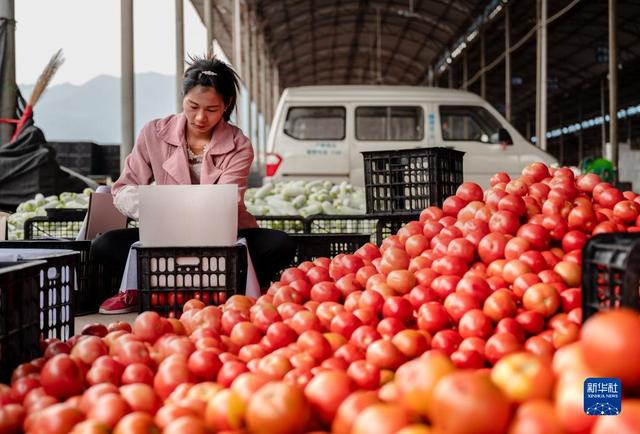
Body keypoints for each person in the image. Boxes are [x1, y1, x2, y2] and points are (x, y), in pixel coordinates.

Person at [95, 55, 297, 314]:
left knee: (279, 244)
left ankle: (214, 287)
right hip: (163, 238)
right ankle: (149, 288)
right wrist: (150, 209)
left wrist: (183, 212)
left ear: (226, 105)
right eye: (193, 106)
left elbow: (229, 201)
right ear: (183, 98)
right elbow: (124, 187)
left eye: (212, 109)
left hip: (223, 239)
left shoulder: (239, 145)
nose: (200, 117)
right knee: (105, 244)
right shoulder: (153, 133)